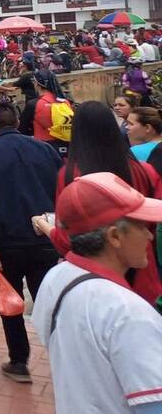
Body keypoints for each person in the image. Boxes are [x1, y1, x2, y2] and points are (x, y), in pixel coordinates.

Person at [31, 173, 162, 414]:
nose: (150, 235)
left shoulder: (57, 277)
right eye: (141, 226)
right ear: (114, 236)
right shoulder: (129, 313)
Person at [0, 101, 61, 382]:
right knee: (51, 301)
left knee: (10, 302)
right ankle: (64, 355)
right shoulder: (46, 150)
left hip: (6, 241)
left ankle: (19, 360)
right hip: (43, 236)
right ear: (18, 121)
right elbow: (61, 190)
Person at [50, 100, 162, 305]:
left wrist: (47, 229)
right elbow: (153, 225)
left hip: (94, 284)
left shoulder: (69, 177)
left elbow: (67, 237)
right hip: (143, 277)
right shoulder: (144, 171)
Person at [30, 69, 73, 160]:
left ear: (37, 84)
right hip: (66, 147)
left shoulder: (35, 104)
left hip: (43, 148)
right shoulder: (65, 102)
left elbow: (22, 128)